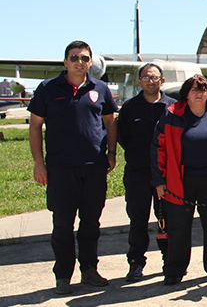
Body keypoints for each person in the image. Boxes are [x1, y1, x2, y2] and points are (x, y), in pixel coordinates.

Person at [28, 40, 117, 295]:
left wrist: (111, 153)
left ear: (91, 62)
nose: (80, 62)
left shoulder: (100, 88)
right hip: (60, 169)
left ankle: (89, 269)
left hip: (94, 168)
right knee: (63, 225)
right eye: (74, 57)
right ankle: (63, 275)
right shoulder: (48, 88)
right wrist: (39, 163)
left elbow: (110, 122)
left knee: (91, 223)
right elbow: (35, 126)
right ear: (65, 61)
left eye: (85, 58)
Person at [151, 75, 207, 286]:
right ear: (186, 93)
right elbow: (158, 148)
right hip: (179, 181)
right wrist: (159, 179)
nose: (199, 93)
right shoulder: (171, 115)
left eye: (203, 89)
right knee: (178, 227)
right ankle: (175, 269)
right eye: (194, 89)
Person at [116, 63, 176, 281]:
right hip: (138, 173)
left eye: (155, 77)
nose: (151, 81)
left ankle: (169, 260)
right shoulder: (130, 107)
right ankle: (136, 262)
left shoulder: (172, 107)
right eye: (146, 77)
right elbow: (122, 136)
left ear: (162, 81)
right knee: (137, 220)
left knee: (166, 219)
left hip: (166, 175)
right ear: (139, 81)